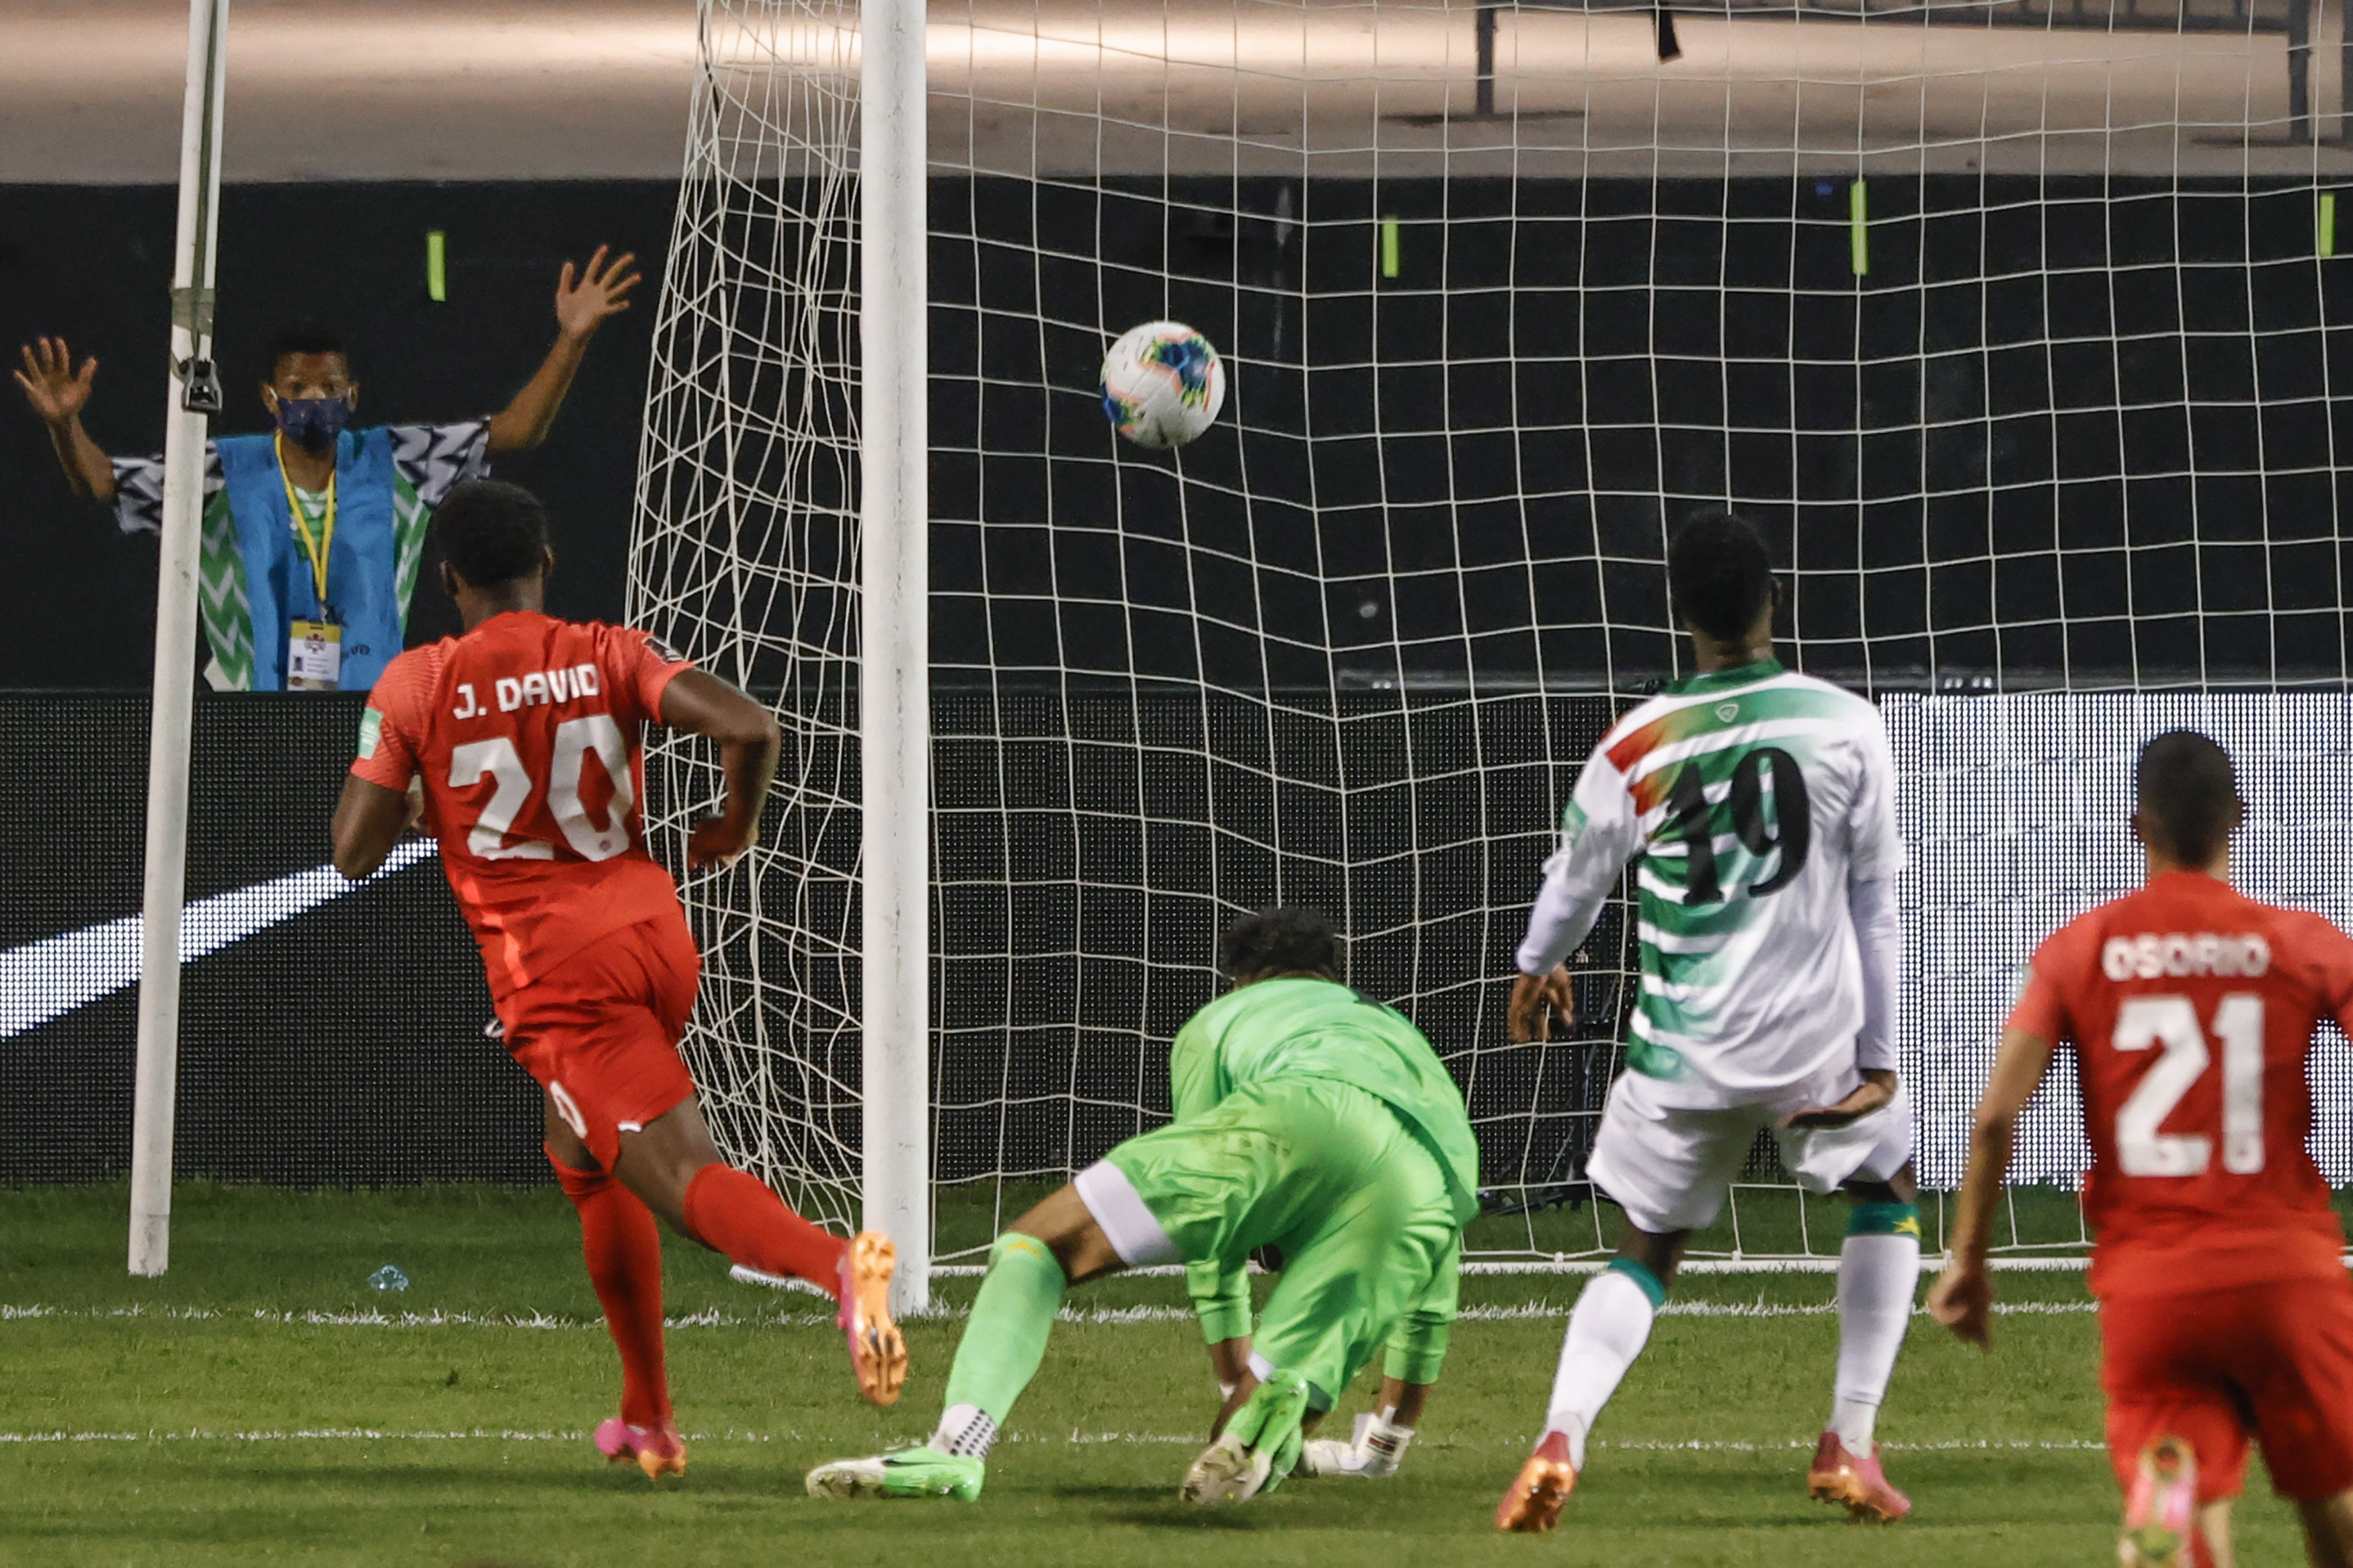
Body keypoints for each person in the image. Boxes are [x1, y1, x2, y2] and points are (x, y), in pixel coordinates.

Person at [329, 479, 906, 1478]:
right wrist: (735, 821)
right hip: (653, 938)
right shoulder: (608, 650)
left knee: (678, 1174)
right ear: (545, 565)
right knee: (584, 1159)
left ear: (448, 579)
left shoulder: (418, 683)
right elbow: (752, 727)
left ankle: (835, 1272)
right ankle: (647, 1417)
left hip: (559, 974)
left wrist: (417, 790)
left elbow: (352, 851)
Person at [1492, 509, 1917, 1533]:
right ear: (1776, 604)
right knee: (1886, 1191)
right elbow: (1875, 904)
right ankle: (1849, 1438)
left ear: (1681, 615)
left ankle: (1561, 1433)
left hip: (1682, 1052)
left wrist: (1536, 967)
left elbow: (1574, 884)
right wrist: (1881, 1058)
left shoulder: (1637, 742)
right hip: (1813, 1048)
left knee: (1646, 1252)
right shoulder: (1847, 722)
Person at [803, 905, 1472, 1506]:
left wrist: (1227, 1372)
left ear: (1243, 978)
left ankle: (953, 1449)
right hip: (1428, 1186)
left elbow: (1214, 1244)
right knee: (1233, 1442)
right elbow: (1431, 1295)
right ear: (1331, 976)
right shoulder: (1405, 1042)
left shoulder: (1222, 1019)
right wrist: (1383, 1446)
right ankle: (1267, 1417)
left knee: (1036, 1247)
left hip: (1299, 1113)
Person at [1929, 731, 2353, 1568]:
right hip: (2285, 1271)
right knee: (2330, 1489)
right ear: (2237, 819)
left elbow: (1992, 1120)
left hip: (2154, 1283)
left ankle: (2169, 1501)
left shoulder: (2079, 949)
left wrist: (1967, 1258)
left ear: (2136, 828)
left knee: (2177, 1462)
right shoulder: (2301, 942)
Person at [14, 246, 639, 693]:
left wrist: (572, 339)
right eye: (298, 387)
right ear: (270, 398)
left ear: (353, 395)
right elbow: (102, 483)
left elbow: (517, 430)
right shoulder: (219, 472)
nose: (315, 398)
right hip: (245, 709)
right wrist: (63, 425)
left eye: (330, 387)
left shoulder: (401, 457)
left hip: (373, 709)